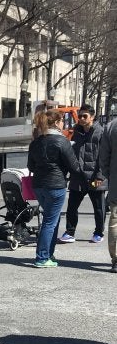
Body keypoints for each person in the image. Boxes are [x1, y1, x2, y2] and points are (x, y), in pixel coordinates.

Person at [27, 110, 81, 268]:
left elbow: (30, 166)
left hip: (38, 185)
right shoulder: (61, 141)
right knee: (50, 221)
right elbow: (74, 166)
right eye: (62, 121)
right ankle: (42, 257)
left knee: (53, 218)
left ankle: (48, 253)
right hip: (56, 184)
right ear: (57, 123)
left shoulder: (36, 142)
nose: (64, 124)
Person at [58, 104, 106, 244]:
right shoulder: (76, 132)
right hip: (78, 177)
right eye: (80, 116)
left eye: (85, 116)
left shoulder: (101, 133)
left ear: (92, 117)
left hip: (94, 177)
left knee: (98, 207)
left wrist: (100, 177)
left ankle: (98, 232)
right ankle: (70, 232)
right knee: (72, 206)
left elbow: (104, 157)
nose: (81, 118)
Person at [99, 117, 117, 273]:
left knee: (115, 221)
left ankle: (116, 260)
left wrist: (109, 175)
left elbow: (103, 157)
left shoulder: (111, 126)